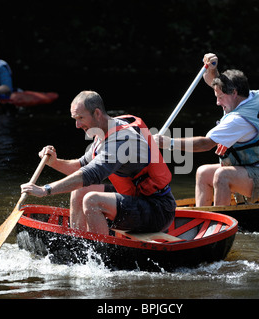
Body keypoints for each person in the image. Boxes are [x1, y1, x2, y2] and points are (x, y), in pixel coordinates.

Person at [20, 91, 176, 235]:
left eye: (80, 118)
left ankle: (98, 258)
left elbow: (91, 174)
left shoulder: (123, 139)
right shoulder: (103, 131)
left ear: (97, 113)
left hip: (158, 209)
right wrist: (54, 162)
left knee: (92, 200)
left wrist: (45, 190)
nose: (77, 125)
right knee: (80, 192)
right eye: (75, 119)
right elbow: (81, 166)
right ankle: (79, 245)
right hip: (135, 198)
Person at [154, 53, 259, 206]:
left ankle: (219, 225)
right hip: (253, 169)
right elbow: (216, 83)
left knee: (222, 175)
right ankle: (202, 220)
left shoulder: (238, 120)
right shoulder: (257, 95)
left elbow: (205, 144)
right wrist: (213, 69)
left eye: (220, 97)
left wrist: (168, 143)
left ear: (234, 93)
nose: (218, 103)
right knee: (203, 173)